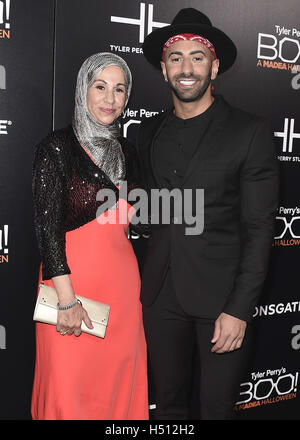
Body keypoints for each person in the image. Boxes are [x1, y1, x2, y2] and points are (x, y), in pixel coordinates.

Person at [137, 8, 279, 420]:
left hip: (222, 299)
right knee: (168, 406)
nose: (186, 68)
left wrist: (238, 309)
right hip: (160, 295)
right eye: (176, 57)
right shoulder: (149, 133)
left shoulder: (248, 131)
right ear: (163, 70)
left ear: (214, 66)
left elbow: (258, 229)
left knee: (217, 409)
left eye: (197, 57)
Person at [31, 52, 148, 420]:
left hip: (124, 296)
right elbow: (46, 227)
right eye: (100, 87)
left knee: (117, 393)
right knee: (68, 393)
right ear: (84, 88)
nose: (110, 99)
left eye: (119, 89)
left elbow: (136, 219)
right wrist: (66, 301)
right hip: (70, 289)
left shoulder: (128, 153)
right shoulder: (56, 148)